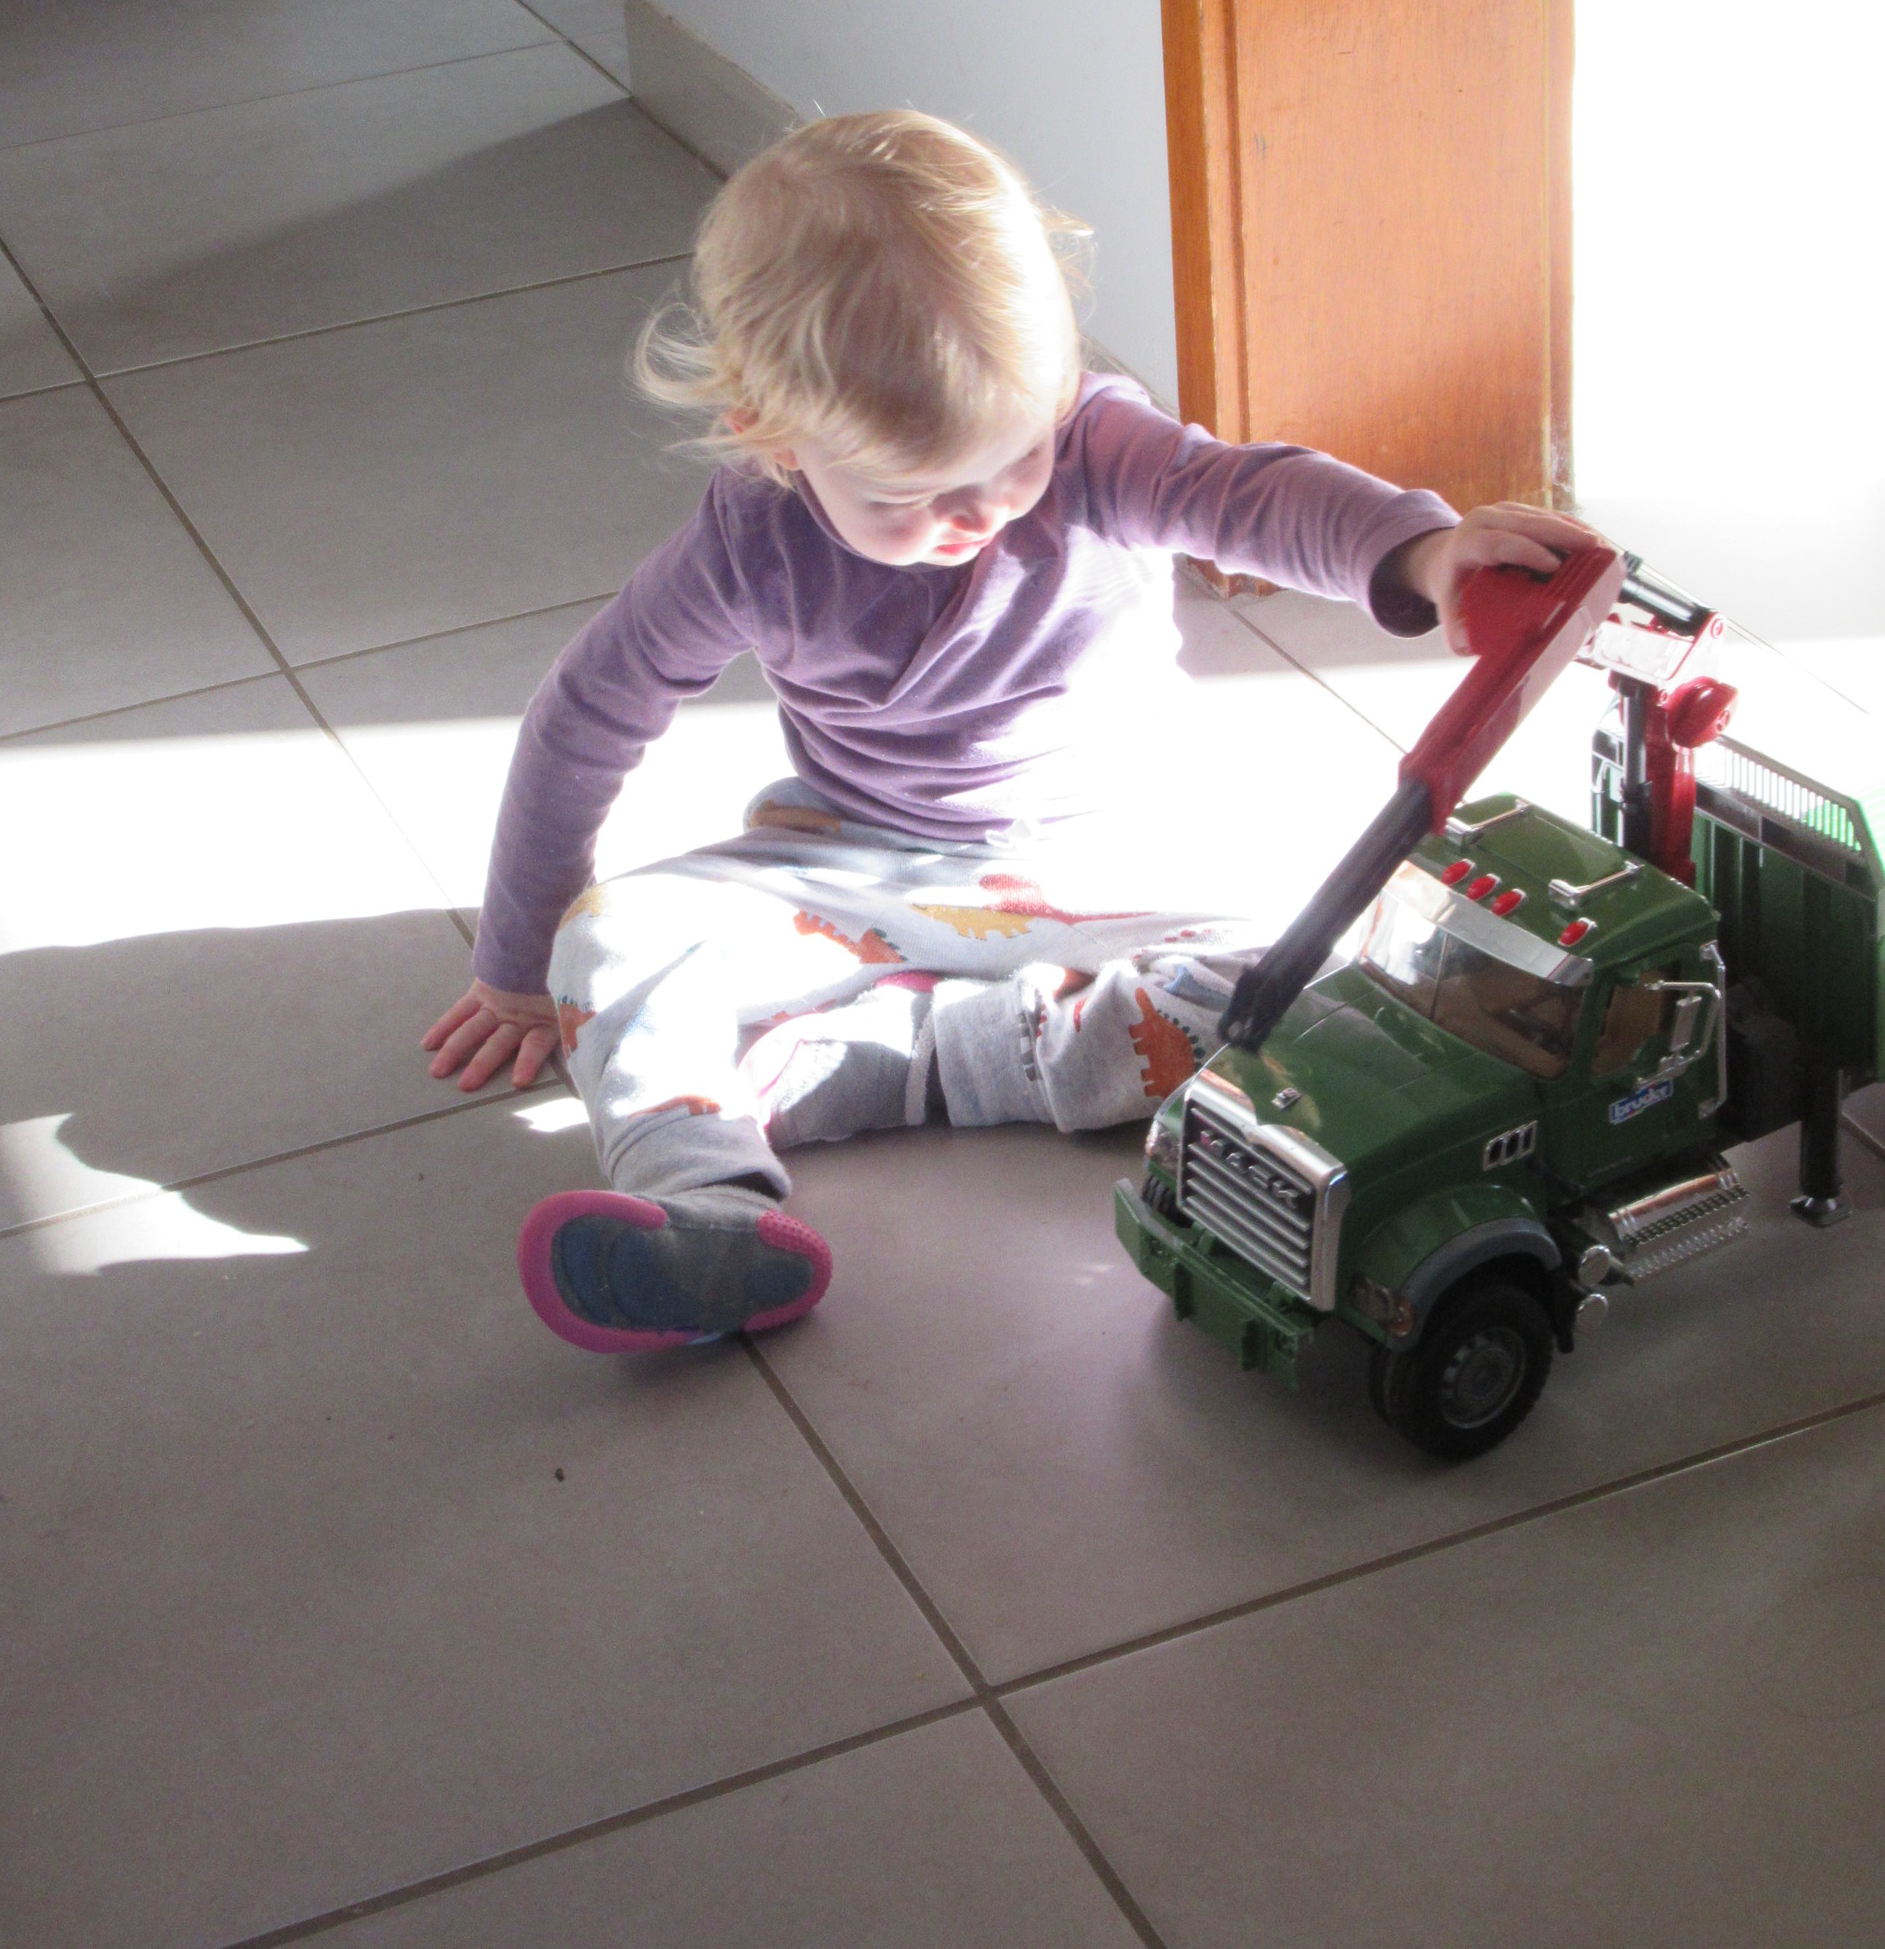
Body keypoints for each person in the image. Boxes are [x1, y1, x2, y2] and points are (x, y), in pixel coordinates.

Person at [422, 110, 1594, 1356]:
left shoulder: (1095, 447)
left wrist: (1420, 551)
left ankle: (890, 1059)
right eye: (910, 494)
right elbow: (586, 717)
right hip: (862, 859)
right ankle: (704, 1206)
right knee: (610, 943)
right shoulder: (746, 546)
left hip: (1113, 852)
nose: (980, 513)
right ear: (773, 435)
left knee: (1316, 968)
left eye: (1017, 455)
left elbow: (1250, 494)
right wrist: (515, 962)